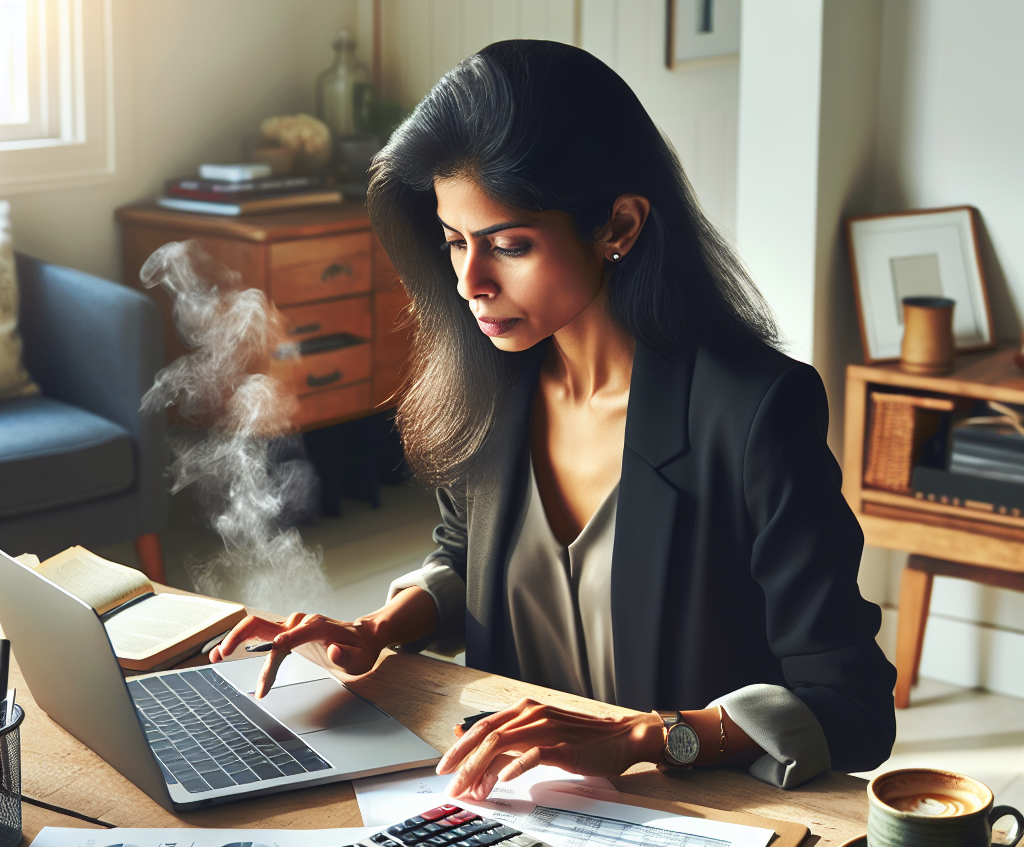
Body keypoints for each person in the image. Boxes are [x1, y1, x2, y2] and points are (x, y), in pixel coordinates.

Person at [213, 39, 896, 801]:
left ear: (620, 227)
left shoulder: (754, 409)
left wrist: (645, 735)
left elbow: (854, 710)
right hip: (513, 812)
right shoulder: (491, 382)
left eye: (508, 245)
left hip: (695, 823)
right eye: (454, 243)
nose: (471, 282)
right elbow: (464, 561)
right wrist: (378, 628)